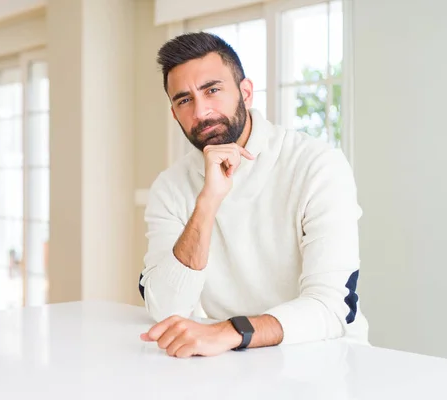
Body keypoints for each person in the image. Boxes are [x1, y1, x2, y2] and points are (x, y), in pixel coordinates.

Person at [138, 32, 369, 358]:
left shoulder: (316, 165)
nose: (201, 111)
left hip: (329, 361)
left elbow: (332, 307)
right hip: (238, 364)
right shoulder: (170, 186)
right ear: (174, 113)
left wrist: (230, 331)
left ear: (245, 92)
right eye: (184, 100)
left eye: (212, 90)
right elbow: (165, 307)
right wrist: (207, 202)